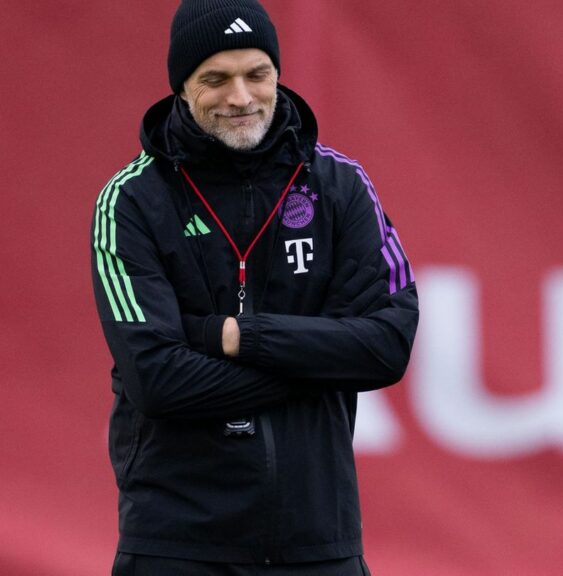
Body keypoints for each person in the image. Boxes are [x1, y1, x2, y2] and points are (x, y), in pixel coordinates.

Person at [90, 1, 417, 573]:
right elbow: (158, 380)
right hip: (178, 542)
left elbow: (386, 346)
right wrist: (319, 361)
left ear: (277, 75)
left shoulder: (340, 184)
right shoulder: (131, 200)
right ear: (181, 88)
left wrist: (229, 335)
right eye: (215, 79)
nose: (241, 97)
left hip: (319, 539)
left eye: (257, 73)